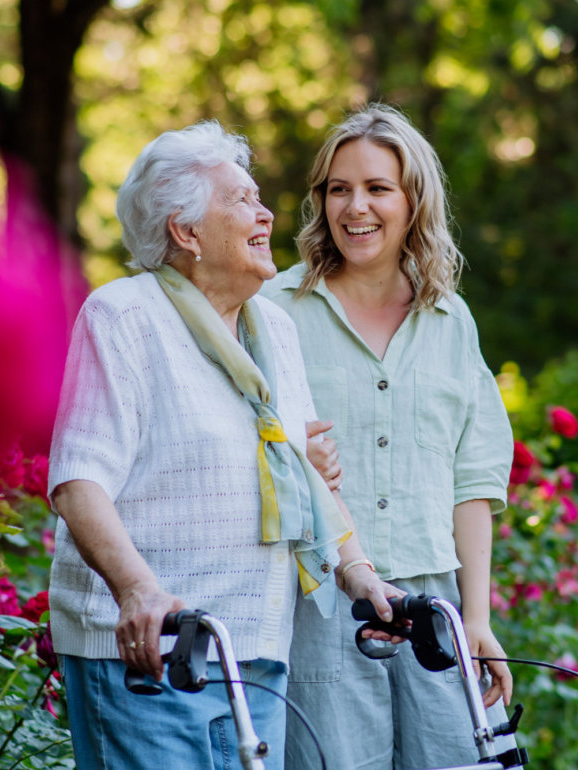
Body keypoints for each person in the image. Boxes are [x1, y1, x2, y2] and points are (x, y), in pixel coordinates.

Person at [46, 121, 400, 770]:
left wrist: (362, 577)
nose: (266, 213)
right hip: (152, 652)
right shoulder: (125, 315)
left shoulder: (275, 330)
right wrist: (137, 591)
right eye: (241, 200)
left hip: (255, 651)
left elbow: (304, 479)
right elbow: (78, 480)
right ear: (185, 231)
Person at [261, 104, 516, 770]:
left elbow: (474, 479)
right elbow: (242, 449)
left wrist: (478, 620)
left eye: (377, 188)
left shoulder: (450, 320)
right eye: (338, 189)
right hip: (320, 609)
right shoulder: (272, 313)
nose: (356, 207)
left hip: (435, 612)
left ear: (412, 201)